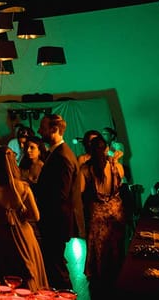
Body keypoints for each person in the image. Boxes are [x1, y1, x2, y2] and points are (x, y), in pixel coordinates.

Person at [0, 146, 49, 292]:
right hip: (23, 236)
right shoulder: (23, 187)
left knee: (4, 278)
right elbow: (36, 216)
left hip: (0, 238)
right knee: (27, 277)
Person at [34, 114, 85, 291]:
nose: (39, 130)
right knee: (55, 265)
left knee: (57, 269)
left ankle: (67, 295)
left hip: (54, 222)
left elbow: (59, 195)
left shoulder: (62, 156)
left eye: (43, 127)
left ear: (54, 130)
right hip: (55, 222)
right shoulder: (58, 152)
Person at [80, 136, 127, 297]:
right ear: (106, 149)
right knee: (115, 245)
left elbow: (80, 191)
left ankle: (100, 280)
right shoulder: (117, 167)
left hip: (96, 213)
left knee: (97, 246)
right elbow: (121, 184)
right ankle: (117, 275)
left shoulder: (85, 169)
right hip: (115, 212)